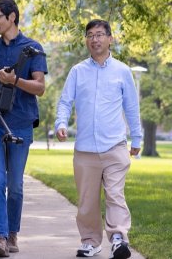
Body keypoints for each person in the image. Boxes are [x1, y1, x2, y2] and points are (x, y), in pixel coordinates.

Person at [54, 19, 142, 259]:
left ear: (110, 39)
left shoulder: (122, 71)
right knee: (87, 201)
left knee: (115, 194)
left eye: (100, 34)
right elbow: (65, 102)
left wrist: (137, 138)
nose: (95, 39)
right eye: (90, 35)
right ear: (86, 41)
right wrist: (60, 123)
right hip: (85, 149)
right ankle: (90, 241)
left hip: (114, 146)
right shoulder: (77, 71)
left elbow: (132, 107)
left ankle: (118, 238)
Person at [0, 0, 47, 257]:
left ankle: (12, 233)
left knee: (15, 185)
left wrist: (14, 80)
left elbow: (40, 88)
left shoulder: (34, 48)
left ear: (12, 17)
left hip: (20, 123)